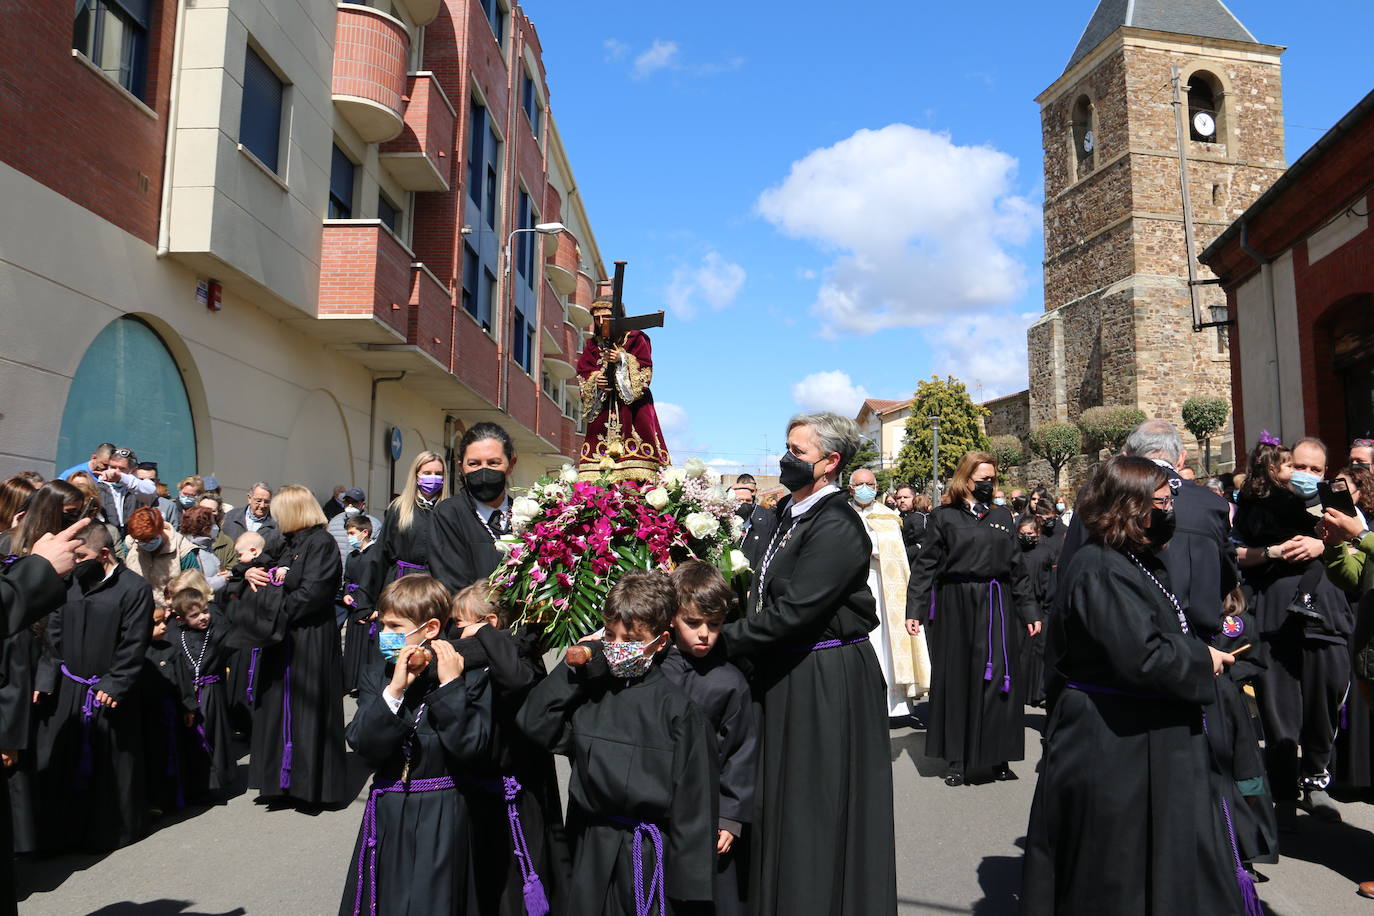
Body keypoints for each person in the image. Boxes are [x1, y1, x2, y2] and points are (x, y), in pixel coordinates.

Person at [1022, 456, 1253, 916]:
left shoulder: (1134, 560)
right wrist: (1200, 656)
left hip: (1142, 735)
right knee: (1116, 873)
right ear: (1128, 508)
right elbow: (1140, 655)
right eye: (1163, 504)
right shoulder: (1100, 567)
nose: (1170, 513)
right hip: (1113, 744)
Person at [720, 412, 897, 913]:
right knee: (780, 800)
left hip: (824, 677)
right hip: (783, 671)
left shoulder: (838, 524)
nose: (786, 459)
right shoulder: (784, 515)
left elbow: (794, 612)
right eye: (788, 448)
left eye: (798, 452)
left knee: (813, 806)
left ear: (830, 463)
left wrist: (717, 644)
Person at [517, 570, 717, 915]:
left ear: (660, 641)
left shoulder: (679, 711)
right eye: (611, 635)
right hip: (590, 846)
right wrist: (581, 663)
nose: (619, 646)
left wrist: (688, 889)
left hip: (649, 854)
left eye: (631, 638)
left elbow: (695, 805)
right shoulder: (591, 694)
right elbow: (534, 720)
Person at [339, 575, 492, 915]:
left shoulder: (469, 676)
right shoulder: (377, 675)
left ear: (430, 628)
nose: (384, 634)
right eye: (382, 624)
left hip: (443, 811)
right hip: (388, 811)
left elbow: (471, 746)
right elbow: (362, 743)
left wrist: (451, 686)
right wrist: (393, 692)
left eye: (395, 625)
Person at [1234, 435, 1353, 822]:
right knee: (1278, 709)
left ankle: (1317, 777)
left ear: (1325, 472)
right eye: (1298, 466)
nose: (1304, 474)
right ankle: (1284, 791)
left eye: (1314, 469)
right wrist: (1273, 551)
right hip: (1274, 616)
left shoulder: (1338, 503)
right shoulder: (1259, 501)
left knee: (1326, 700)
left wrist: (1326, 547)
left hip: (1328, 618)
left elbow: (1363, 546)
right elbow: (1233, 549)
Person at [906, 451, 1040, 785]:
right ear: (966, 479)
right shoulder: (943, 517)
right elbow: (926, 566)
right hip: (957, 604)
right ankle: (956, 759)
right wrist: (915, 609)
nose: (989, 484)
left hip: (997, 602)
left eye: (992, 479)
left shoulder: (1003, 517)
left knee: (999, 680)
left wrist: (1029, 610)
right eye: (983, 479)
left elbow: (1017, 569)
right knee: (958, 678)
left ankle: (999, 756)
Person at [223, 485, 349, 809]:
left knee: (307, 709)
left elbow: (313, 592)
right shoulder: (289, 542)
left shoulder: (321, 543)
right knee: (278, 707)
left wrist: (273, 609)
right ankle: (280, 780)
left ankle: (309, 786)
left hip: (310, 638)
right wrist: (246, 570)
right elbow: (259, 562)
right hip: (283, 636)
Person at [448, 582, 567, 916]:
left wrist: (482, 633)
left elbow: (514, 681)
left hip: (519, 782)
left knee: (521, 862)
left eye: (462, 622)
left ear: (492, 623)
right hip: (485, 779)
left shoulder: (519, 658)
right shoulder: (484, 655)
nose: (457, 630)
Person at [33, 522, 153, 852]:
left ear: (103, 554)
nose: (75, 559)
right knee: (62, 757)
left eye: (81, 554)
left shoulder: (134, 589)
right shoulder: (68, 582)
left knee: (108, 761)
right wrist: (45, 679)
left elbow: (134, 643)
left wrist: (116, 682)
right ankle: (63, 833)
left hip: (105, 689)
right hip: (69, 686)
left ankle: (110, 832)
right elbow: (52, 635)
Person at [663, 561, 757, 916]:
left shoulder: (729, 682)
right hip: (660, 810)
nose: (704, 634)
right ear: (672, 617)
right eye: (693, 623)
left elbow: (740, 753)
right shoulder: (653, 670)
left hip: (709, 813)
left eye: (714, 625)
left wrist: (731, 817)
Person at [849, 468, 929, 722]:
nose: (865, 488)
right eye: (860, 483)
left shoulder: (889, 517)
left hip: (882, 588)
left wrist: (869, 545)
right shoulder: (840, 513)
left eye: (870, 484)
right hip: (849, 588)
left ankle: (890, 704)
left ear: (876, 488)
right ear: (850, 487)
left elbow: (896, 553)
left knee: (883, 642)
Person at [575, 295, 671, 482]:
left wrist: (622, 360)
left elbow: (644, 370)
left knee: (638, 466)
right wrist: (597, 380)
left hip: (633, 411)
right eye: (597, 318)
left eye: (606, 317)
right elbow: (583, 372)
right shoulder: (592, 345)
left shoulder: (636, 338)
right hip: (602, 412)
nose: (601, 322)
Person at [168, 581, 235, 796]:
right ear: (181, 619)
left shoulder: (218, 631)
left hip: (212, 690)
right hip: (187, 694)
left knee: (215, 733)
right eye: (195, 616)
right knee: (190, 739)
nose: (203, 617)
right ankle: (194, 784)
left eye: (205, 611)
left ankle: (216, 782)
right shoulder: (175, 637)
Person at [431, 425, 516, 593]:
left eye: (493, 463)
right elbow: (450, 582)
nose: (484, 471)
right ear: (462, 467)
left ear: (511, 464)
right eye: (474, 464)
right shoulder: (449, 514)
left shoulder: (529, 515)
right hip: (470, 617)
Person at [380, 451, 447, 586]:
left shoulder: (448, 511)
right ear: (416, 476)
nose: (433, 478)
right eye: (427, 473)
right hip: (402, 583)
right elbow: (381, 552)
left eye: (438, 474)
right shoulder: (399, 508)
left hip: (435, 586)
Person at [340, 514, 383, 696]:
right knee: (353, 644)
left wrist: (377, 609)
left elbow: (380, 582)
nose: (349, 537)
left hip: (370, 604)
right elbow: (347, 579)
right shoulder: (352, 556)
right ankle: (352, 681)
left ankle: (366, 684)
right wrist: (346, 595)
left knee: (367, 646)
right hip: (354, 605)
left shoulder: (376, 554)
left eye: (352, 533)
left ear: (364, 532)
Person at [122, 506, 201, 604]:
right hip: (138, 606)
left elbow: (194, 588)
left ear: (160, 530)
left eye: (151, 539)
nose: (147, 543)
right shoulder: (130, 543)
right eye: (142, 541)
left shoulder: (182, 549)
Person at [1016, 515, 1054, 708]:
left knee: (1038, 651)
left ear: (1037, 533)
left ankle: (1037, 692)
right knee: (1020, 651)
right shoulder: (1015, 552)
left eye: (1030, 533)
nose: (1026, 537)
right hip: (1018, 607)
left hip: (1040, 606)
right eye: (1022, 534)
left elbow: (1049, 582)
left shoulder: (1046, 553)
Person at [326, 487, 382, 568]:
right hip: (337, 575)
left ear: (363, 505)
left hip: (360, 575)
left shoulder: (374, 525)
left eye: (354, 502)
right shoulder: (334, 522)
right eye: (347, 501)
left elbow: (377, 554)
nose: (350, 505)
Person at [732, 473, 776, 570]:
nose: (744, 503)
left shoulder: (767, 518)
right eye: (740, 500)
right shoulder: (724, 523)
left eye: (748, 500)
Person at [222, 483, 282, 552]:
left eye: (266, 502)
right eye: (258, 501)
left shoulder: (276, 524)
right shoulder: (231, 517)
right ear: (249, 498)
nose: (262, 505)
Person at [179, 505, 226, 594]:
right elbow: (196, 584)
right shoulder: (192, 551)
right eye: (213, 522)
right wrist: (223, 579)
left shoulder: (207, 547)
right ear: (205, 527)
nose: (215, 526)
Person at [895, 485, 929, 563]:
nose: (902, 500)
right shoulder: (895, 518)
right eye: (899, 498)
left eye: (906, 497)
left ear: (915, 498)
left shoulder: (923, 517)